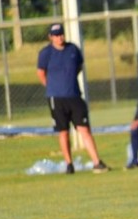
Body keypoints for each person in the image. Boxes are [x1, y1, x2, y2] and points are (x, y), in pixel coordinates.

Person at [37, 23, 109, 174]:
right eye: (56, 35)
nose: (59, 37)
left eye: (61, 34)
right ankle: (69, 164)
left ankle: (97, 162)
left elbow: (78, 67)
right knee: (63, 131)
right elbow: (41, 73)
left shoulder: (73, 49)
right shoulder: (45, 53)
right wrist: (52, 88)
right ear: (50, 37)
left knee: (84, 129)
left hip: (74, 96)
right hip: (56, 98)